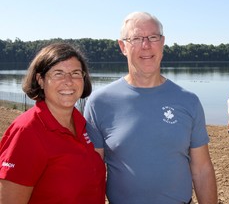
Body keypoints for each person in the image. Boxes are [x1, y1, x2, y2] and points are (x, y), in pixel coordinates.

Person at [84, 12, 217, 204]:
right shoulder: (99, 102)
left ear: (162, 42)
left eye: (153, 37)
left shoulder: (189, 101)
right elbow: (93, 173)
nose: (146, 45)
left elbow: (202, 168)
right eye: (136, 38)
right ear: (123, 46)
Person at [0, 43, 106, 203]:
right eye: (58, 73)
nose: (69, 81)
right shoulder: (27, 131)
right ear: (40, 80)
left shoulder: (82, 124)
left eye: (75, 73)